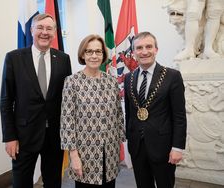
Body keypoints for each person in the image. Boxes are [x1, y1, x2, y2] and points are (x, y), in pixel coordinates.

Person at [0, 13, 72, 188]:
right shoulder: (14, 58)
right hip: (23, 136)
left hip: (54, 136)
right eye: (40, 27)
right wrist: (9, 137)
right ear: (32, 30)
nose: (44, 32)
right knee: (21, 183)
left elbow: (67, 100)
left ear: (55, 33)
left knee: (53, 182)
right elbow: (6, 100)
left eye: (49, 28)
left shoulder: (63, 59)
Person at [60, 34, 125, 188]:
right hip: (85, 154)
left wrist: (121, 142)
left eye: (98, 51)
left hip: (110, 152)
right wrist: (74, 156)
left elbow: (118, 114)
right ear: (83, 54)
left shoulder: (111, 81)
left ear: (103, 55)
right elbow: (67, 120)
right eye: (89, 52)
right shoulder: (72, 82)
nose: (94, 56)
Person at [124, 31, 187, 188]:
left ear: (156, 49)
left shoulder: (172, 76)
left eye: (148, 46)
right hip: (137, 147)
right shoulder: (128, 78)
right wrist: (130, 143)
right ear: (133, 53)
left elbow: (179, 116)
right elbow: (130, 113)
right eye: (139, 48)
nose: (144, 51)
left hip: (163, 147)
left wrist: (177, 147)